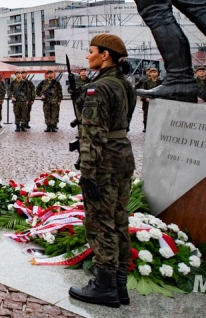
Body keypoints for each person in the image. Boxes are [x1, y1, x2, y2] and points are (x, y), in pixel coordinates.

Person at [69, 34, 136, 308]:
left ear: (106, 55)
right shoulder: (123, 84)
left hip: (104, 163)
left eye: (91, 51)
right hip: (122, 157)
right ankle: (120, 285)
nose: (88, 56)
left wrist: (87, 173)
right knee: (119, 221)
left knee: (100, 223)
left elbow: (93, 135)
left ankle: (104, 285)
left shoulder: (100, 88)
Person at [134, 68, 160, 132]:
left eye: (155, 72)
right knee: (146, 114)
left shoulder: (161, 82)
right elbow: (143, 91)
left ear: (157, 73)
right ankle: (146, 127)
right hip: (147, 101)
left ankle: (156, 126)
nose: (153, 74)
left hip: (158, 101)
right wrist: (145, 97)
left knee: (157, 114)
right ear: (149, 74)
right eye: (152, 72)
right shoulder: (146, 82)